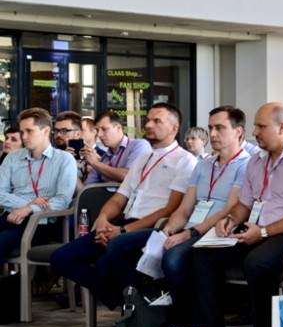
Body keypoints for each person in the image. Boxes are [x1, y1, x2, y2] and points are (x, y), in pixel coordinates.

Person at [180, 103, 283, 327]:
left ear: (282, 128)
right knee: (203, 254)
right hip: (258, 230)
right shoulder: (257, 160)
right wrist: (229, 220)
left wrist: (265, 232)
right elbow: (244, 205)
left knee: (257, 262)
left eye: (261, 127)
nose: (254, 132)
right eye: (255, 126)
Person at [51, 103, 197, 310]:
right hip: (124, 224)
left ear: (174, 128)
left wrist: (123, 231)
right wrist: (103, 220)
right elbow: (119, 199)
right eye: (148, 120)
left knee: (108, 259)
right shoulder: (142, 160)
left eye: (157, 121)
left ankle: (136, 309)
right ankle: (129, 307)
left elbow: (170, 209)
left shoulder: (184, 160)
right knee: (61, 258)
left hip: (154, 227)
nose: (149, 125)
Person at [135, 106, 250, 327]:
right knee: (146, 249)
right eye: (210, 128)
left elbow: (229, 211)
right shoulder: (203, 165)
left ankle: (183, 325)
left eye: (220, 128)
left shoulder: (245, 165)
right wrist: (168, 230)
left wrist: (190, 233)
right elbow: (185, 208)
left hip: (217, 230)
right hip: (192, 229)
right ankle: (153, 319)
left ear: (238, 132)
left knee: (174, 259)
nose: (213, 134)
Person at [0, 108, 77, 259]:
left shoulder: (64, 159)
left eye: (29, 131)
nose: (24, 136)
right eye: (22, 132)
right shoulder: (13, 157)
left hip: (42, 221)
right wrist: (27, 204)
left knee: (2, 242)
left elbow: (62, 201)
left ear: (46, 131)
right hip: (11, 216)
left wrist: (29, 209)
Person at [82, 111, 153, 186]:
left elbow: (129, 176)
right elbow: (86, 187)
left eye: (104, 129)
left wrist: (95, 163)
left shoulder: (139, 145)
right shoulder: (104, 158)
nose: (99, 134)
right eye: (97, 130)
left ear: (118, 128)